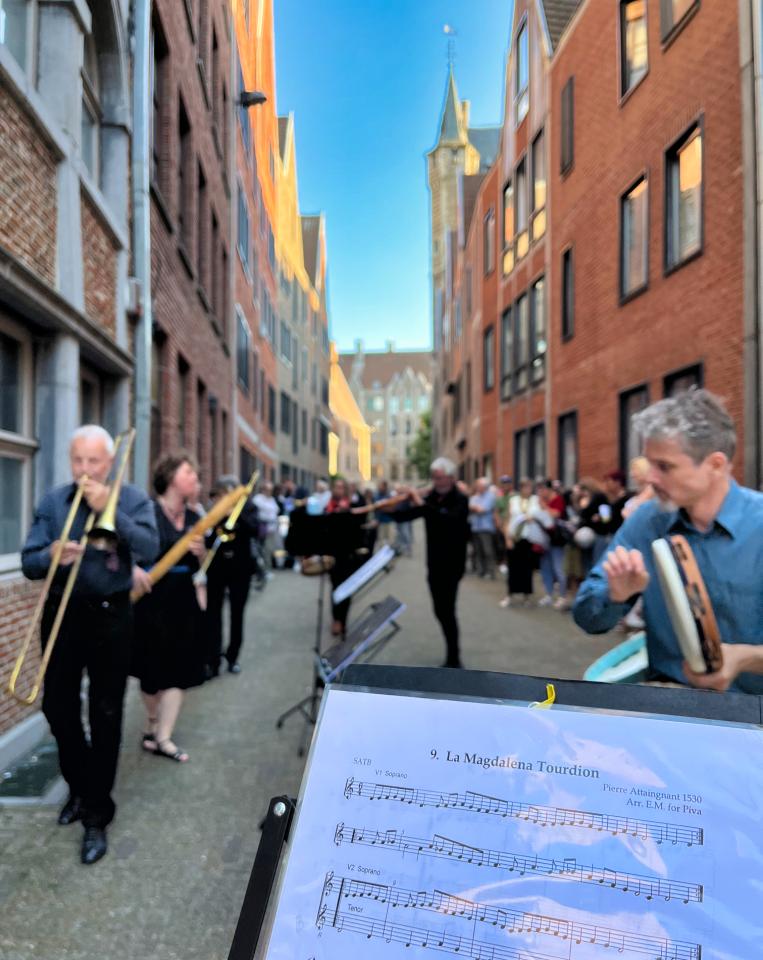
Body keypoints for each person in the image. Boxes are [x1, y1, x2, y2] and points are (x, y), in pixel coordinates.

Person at [21, 425, 159, 865]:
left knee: (105, 712)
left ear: (110, 461)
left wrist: (110, 510)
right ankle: (80, 786)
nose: (84, 469)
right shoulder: (53, 501)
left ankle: (97, 814)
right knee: (57, 708)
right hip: (62, 612)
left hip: (112, 615)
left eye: (93, 461)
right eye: (77, 460)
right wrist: (48, 556)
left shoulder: (134, 499)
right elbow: (28, 562)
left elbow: (151, 546)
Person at [573, 389, 763, 693]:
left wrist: (745, 658)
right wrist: (615, 595)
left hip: (753, 719)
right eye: (650, 465)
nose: (650, 479)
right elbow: (586, 616)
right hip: (669, 708)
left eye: (665, 467)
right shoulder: (648, 520)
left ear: (715, 465)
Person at [132, 454, 207, 764]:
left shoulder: (195, 517)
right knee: (150, 671)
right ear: (171, 477)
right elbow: (129, 550)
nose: (194, 476)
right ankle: (152, 723)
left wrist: (201, 553)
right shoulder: (147, 512)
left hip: (183, 599)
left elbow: (203, 565)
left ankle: (164, 736)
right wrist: (133, 570)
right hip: (151, 599)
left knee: (180, 669)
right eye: (189, 471)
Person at [392, 458, 469, 668]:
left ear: (451, 478)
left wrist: (421, 502)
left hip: (453, 564)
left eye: (440, 478)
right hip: (434, 563)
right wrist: (405, 499)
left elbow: (447, 520)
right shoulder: (431, 498)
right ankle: (452, 651)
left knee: (448, 609)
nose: (436, 482)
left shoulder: (460, 499)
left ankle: (454, 657)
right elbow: (401, 516)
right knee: (439, 609)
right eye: (434, 478)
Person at [204, 476, 259, 676]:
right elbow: (209, 540)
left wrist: (236, 514)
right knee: (213, 614)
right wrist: (218, 514)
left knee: (237, 614)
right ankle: (213, 660)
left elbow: (254, 529)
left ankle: (232, 657)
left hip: (241, 568)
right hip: (218, 567)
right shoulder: (214, 508)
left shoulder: (249, 507)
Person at [500, 478, 539, 607]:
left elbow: (539, 516)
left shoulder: (535, 501)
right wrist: (507, 539)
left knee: (527, 569)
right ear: (521, 488)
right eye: (525, 487)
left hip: (528, 538)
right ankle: (509, 595)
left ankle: (526, 597)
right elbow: (507, 520)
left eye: (530, 487)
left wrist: (533, 518)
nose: (528, 490)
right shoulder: (513, 500)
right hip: (514, 538)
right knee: (513, 568)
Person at [469, 478, 497, 579]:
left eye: (479, 486)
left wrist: (475, 508)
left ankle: (490, 571)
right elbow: (470, 507)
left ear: (484, 487)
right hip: (476, 527)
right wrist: (476, 508)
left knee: (487, 550)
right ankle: (481, 571)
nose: (477, 488)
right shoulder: (475, 496)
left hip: (486, 527)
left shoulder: (490, 496)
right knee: (478, 550)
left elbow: (483, 510)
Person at [253, 481, 279, 574]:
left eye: (271, 490)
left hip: (271, 529)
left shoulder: (271, 499)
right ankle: (264, 570)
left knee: (269, 549)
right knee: (264, 550)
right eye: (268, 490)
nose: (270, 492)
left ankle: (267, 568)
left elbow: (275, 510)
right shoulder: (258, 499)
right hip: (262, 528)